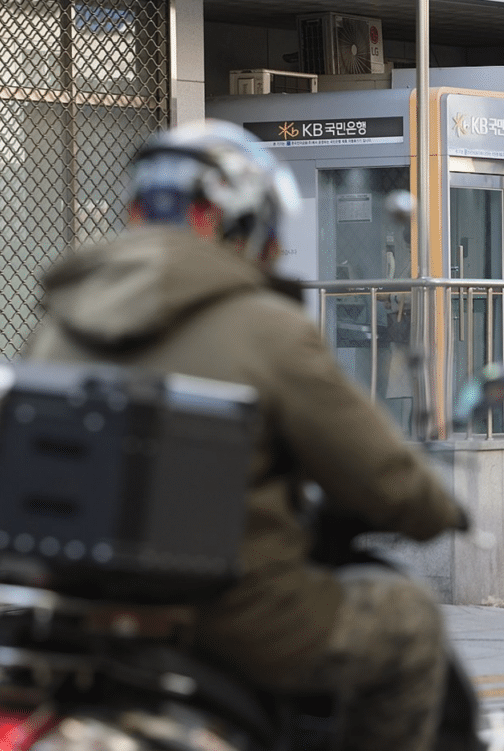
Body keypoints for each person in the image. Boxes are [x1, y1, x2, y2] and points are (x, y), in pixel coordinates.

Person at [23, 119, 469, 751]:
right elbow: (381, 476)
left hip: (75, 608)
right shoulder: (266, 327)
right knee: (411, 624)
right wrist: (436, 508)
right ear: (235, 222)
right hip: (232, 615)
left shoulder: (60, 322)